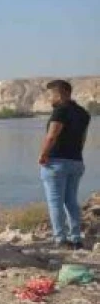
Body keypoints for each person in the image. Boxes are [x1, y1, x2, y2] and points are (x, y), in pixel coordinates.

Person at [39, 79, 91, 249]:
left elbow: (52, 135)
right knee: (71, 201)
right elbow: (82, 139)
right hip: (76, 161)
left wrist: (43, 154)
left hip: (56, 163)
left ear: (59, 94)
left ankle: (60, 239)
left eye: (50, 95)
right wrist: (76, 155)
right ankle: (76, 239)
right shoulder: (83, 113)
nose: (49, 99)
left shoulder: (60, 111)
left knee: (55, 202)